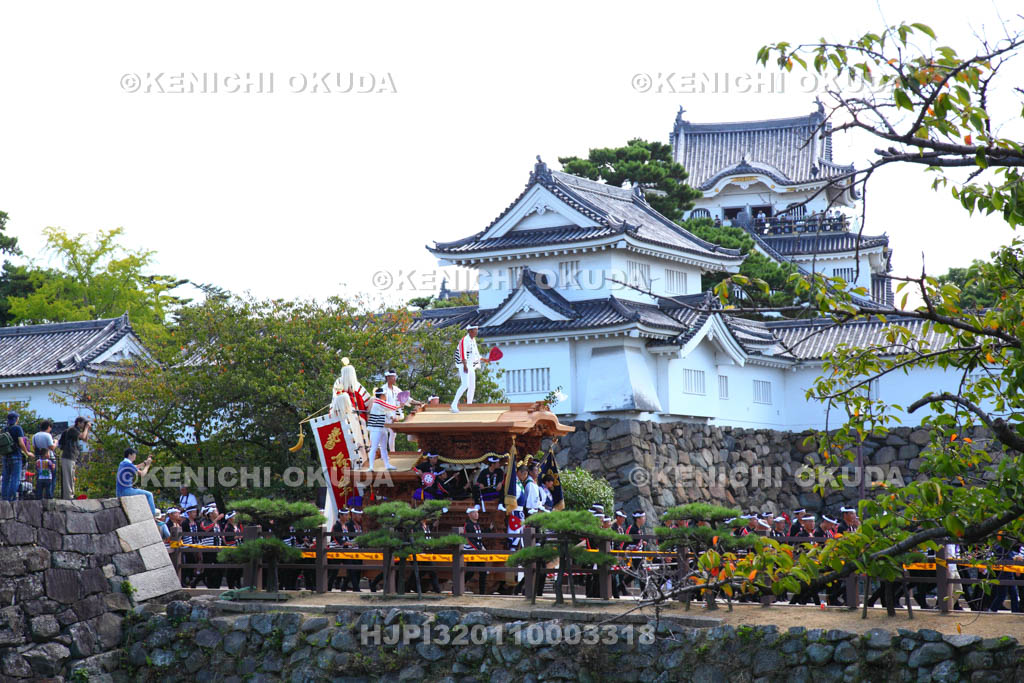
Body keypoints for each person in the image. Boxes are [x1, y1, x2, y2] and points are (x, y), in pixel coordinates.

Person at [450, 324, 490, 413]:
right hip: (463, 364)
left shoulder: (473, 340)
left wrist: (484, 359)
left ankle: (469, 404)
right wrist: (464, 365)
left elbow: (475, 354)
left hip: (470, 364)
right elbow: (462, 353)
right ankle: (454, 404)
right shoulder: (465, 340)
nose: (477, 331)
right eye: (475, 330)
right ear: (470, 331)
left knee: (472, 386)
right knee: (465, 385)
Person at [115, 447, 157, 516]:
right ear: (130, 455)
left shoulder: (123, 463)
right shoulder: (128, 464)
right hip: (125, 491)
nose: (135, 456)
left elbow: (136, 466)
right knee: (149, 495)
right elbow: (143, 474)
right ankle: (153, 516)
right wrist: (148, 465)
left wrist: (145, 462)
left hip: (120, 491)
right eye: (134, 454)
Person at [365, 388, 399, 470]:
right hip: (376, 428)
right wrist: (400, 405)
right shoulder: (378, 402)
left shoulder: (381, 403)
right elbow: (391, 407)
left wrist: (392, 417)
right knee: (374, 447)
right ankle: (371, 466)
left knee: (384, 448)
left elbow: (386, 412)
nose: (386, 396)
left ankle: (387, 465)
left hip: (382, 428)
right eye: (385, 394)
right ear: (381, 395)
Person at [57, 417, 90, 499]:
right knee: (68, 477)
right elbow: (82, 436)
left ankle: (71, 494)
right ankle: (68, 496)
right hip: (68, 456)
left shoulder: (77, 430)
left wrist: (87, 429)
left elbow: (85, 439)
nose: (84, 425)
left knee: (71, 477)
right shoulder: (72, 429)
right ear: (78, 423)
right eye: (83, 423)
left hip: (72, 457)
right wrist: (86, 428)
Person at [1, 411, 31, 502]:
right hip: (16, 455)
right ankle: (12, 498)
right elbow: (21, 442)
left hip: (6, 456)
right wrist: (27, 452)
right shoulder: (17, 428)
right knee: (15, 477)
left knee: (6, 478)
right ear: (16, 419)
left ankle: (4, 497)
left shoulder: (5, 429)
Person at [463, 506, 489, 595]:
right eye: (474, 513)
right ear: (469, 515)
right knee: (470, 571)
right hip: (471, 550)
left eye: (477, 513)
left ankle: (482, 592)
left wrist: (481, 546)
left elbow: (479, 538)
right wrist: (479, 547)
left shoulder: (477, 525)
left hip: (478, 549)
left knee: (483, 571)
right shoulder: (468, 525)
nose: (476, 514)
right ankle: (458, 586)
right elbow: (469, 539)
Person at [32, 420, 56, 500]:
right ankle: (49, 495)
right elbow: (51, 447)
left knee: (40, 477)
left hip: (39, 459)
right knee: (51, 477)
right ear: (48, 427)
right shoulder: (47, 435)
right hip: (50, 458)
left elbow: (34, 447)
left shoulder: (35, 436)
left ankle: (39, 496)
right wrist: (55, 442)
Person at [381, 370, 404, 452]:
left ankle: (392, 452)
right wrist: (390, 416)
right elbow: (383, 405)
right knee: (384, 435)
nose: (395, 379)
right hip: (384, 415)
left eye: (395, 377)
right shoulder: (383, 389)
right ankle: (384, 453)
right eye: (393, 377)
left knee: (393, 434)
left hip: (393, 415)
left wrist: (416, 402)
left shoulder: (396, 389)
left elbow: (405, 397)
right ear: (388, 378)